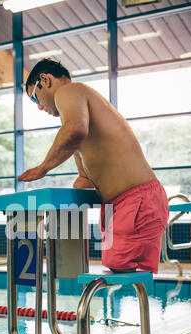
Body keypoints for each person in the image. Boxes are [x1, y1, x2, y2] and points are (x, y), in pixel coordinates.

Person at [18, 59, 169, 274]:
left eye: (35, 98)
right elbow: (85, 179)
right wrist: (56, 206)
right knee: (123, 273)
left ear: (45, 80)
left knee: (117, 272)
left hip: (136, 201)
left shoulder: (70, 91)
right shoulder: (78, 117)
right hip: (122, 205)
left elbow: (75, 130)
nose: (40, 107)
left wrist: (43, 168)